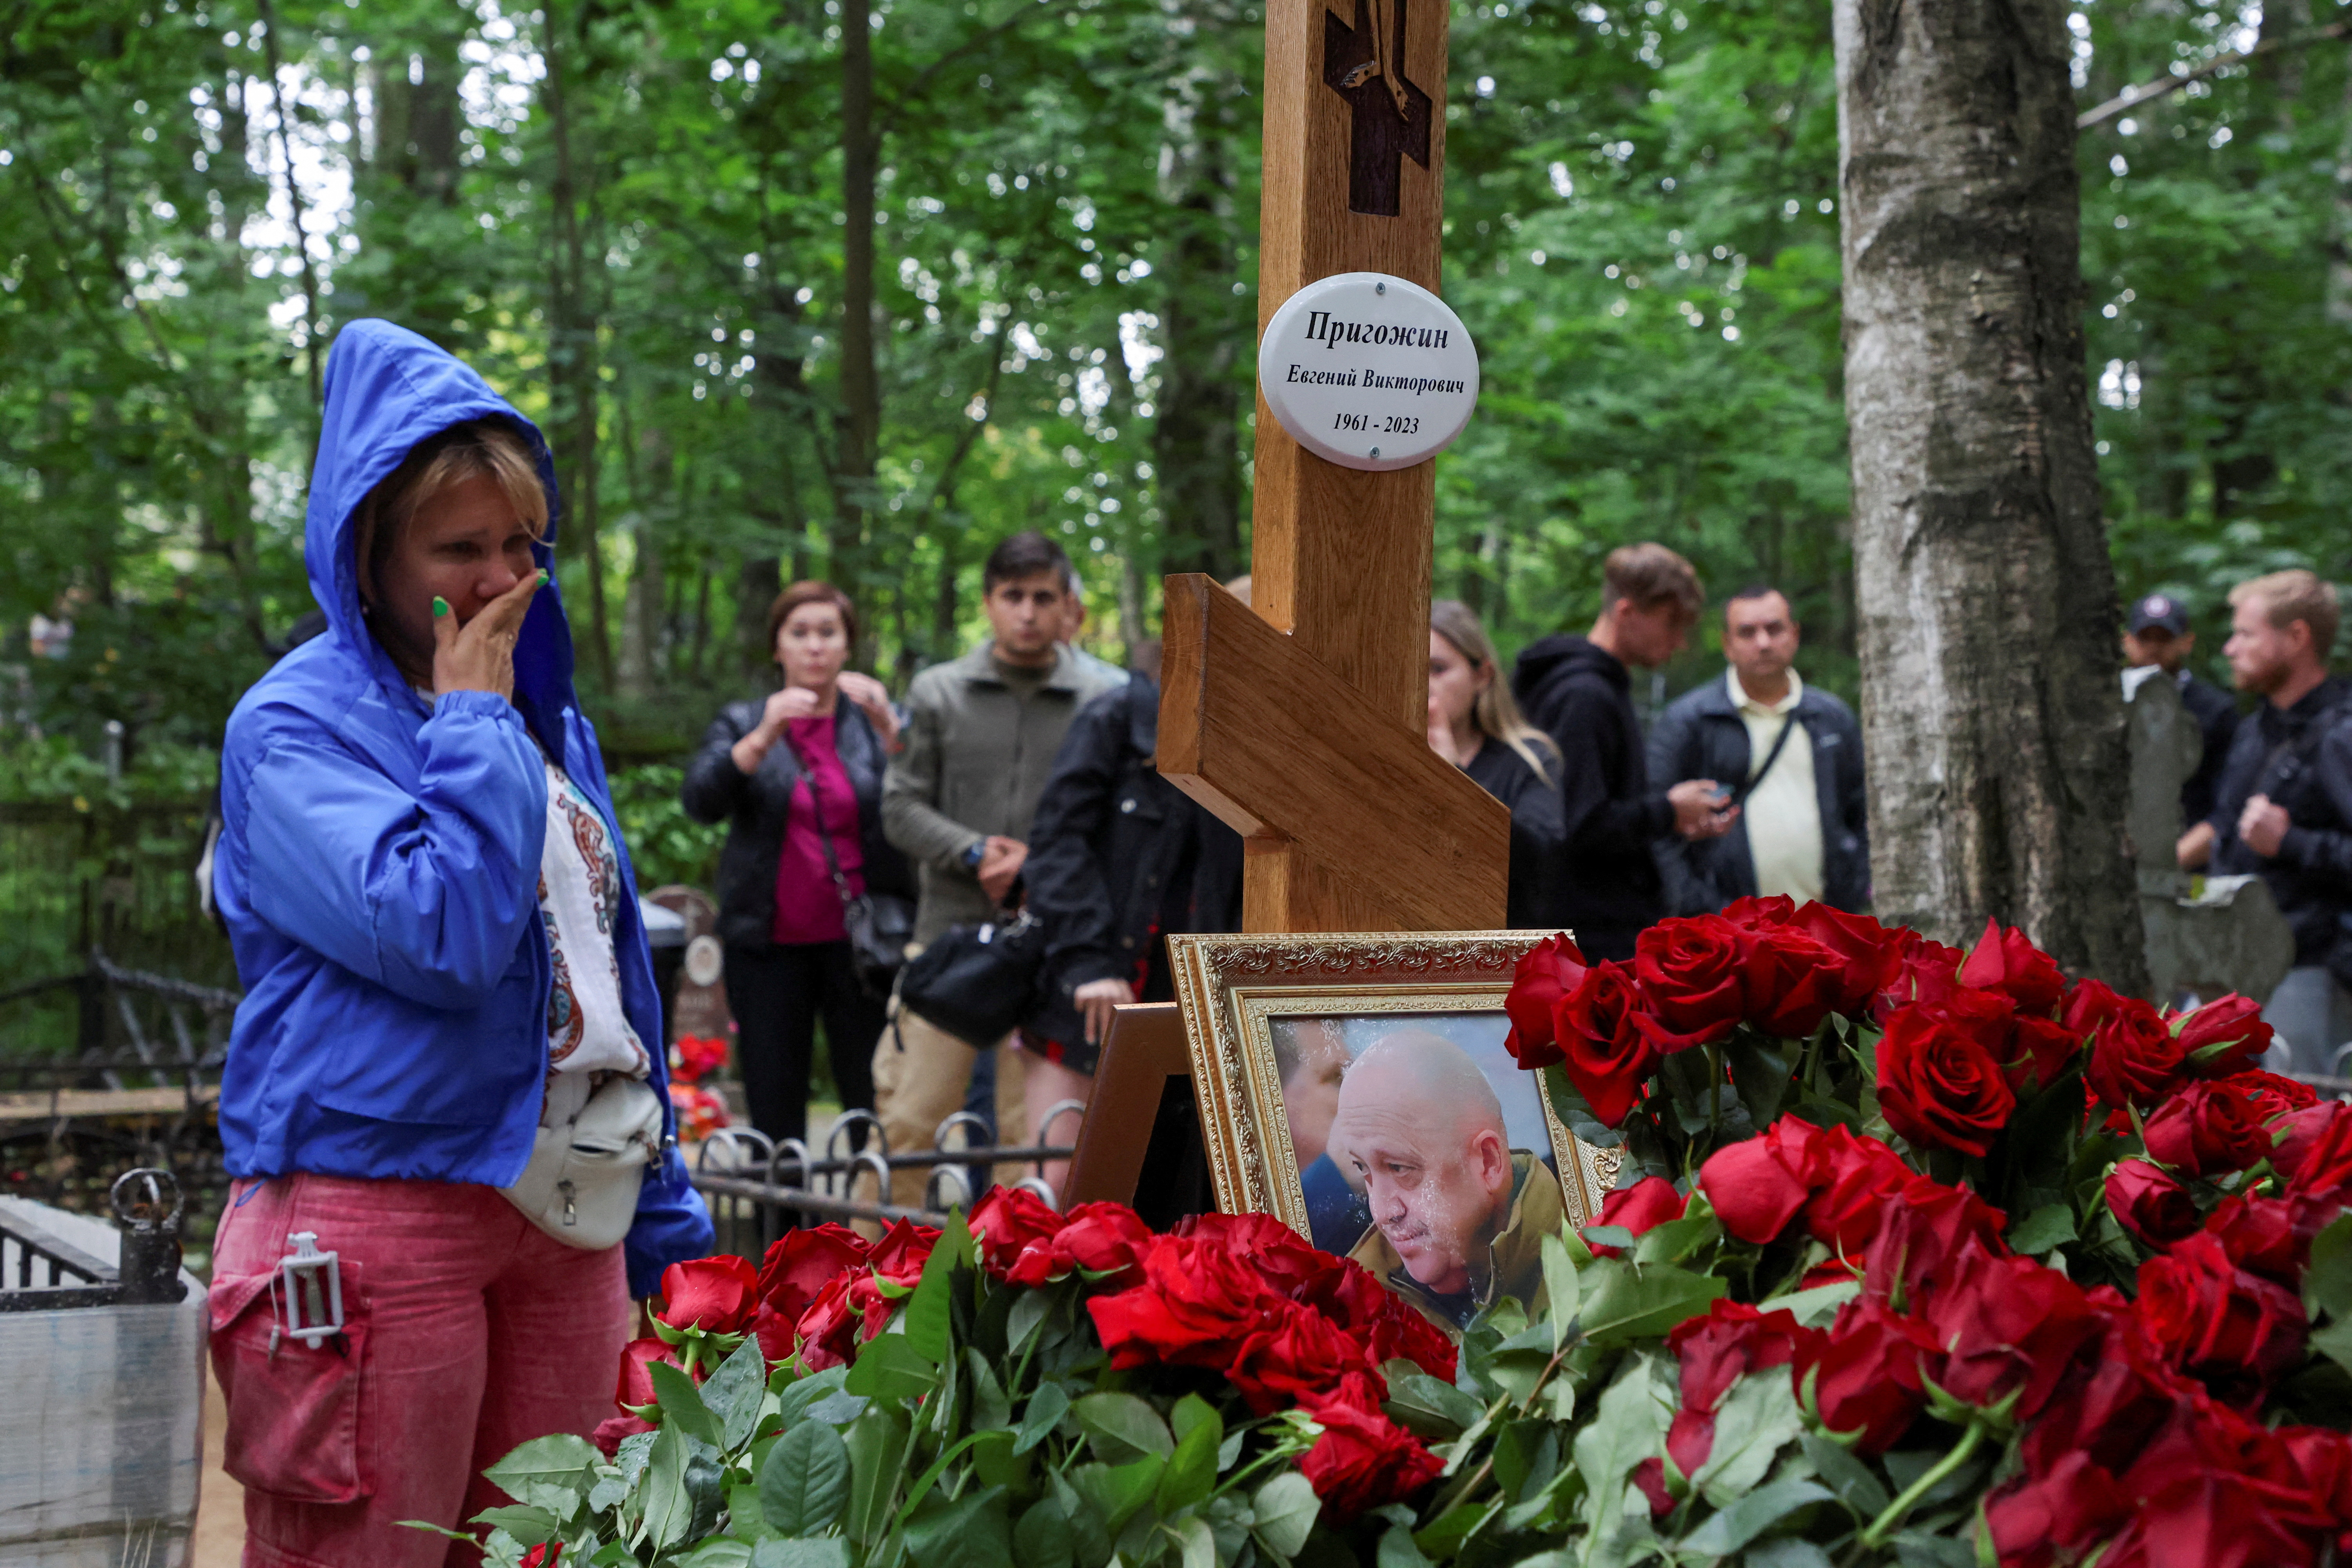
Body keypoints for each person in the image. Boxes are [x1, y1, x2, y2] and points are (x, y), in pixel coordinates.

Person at [206, 319, 710, 1565]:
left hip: (565, 1210)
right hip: (376, 1205)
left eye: (520, 543)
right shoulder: (293, 728)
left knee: (553, 1547)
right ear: (368, 552)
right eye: (459, 549)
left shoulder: (544, 717)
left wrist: (664, 1206)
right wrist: (475, 722)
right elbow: (441, 936)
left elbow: (603, 968)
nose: (501, 579)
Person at [873, 531, 1127, 1206]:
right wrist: (975, 852)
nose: (1028, 613)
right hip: (951, 943)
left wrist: (1038, 868)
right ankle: (865, 1269)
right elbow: (899, 806)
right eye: (1013, 596)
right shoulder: (938, 692)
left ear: (1069, 605)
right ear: (988, 602)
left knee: (1035, 1146)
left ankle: (1023, 1272)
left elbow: (1120, 828)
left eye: (1043, 597)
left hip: (1052, 951)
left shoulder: (1107, 698)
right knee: (908, 1124)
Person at [679, 581, 914, 1149]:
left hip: (862, 949)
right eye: (800, 633)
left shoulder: (874, 723)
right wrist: (764, 735)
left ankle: (870, 1204)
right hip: (767, 948)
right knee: (774, 1100)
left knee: (871, 1098)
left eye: (828, 633)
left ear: (847, 646)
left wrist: (891, 732)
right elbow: (702, 802)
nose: (815, 646)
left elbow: (921, 805)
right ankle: (782, 1208)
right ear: (777, 647)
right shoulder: (743, 720)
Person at [1015, 635, 1245, 1194]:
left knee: (1164, 1194)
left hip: (1194, 1005)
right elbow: (1056, 846)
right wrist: (1087, 962)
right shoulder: (1116, 718)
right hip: (1092, 989)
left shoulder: (1255, 742)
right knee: (1060, 1184)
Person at [1511, 543, 1736, 959]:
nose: (1680, 642)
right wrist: (1668, 811)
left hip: (1591, 929)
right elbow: (1578, 826)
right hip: (1586, 941)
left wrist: (1674, 817)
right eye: (1671, 623)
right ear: (1627, 613)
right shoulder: (1584, 696)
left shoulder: (1597, 687)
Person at [2179, 570, 2352, 1076]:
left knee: (2298, 1115)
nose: (2230, 649)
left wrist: (2293, 842)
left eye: (2246, 634)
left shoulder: (2341, 734)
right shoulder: (2254, 730)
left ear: (2296, 637)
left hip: (2307, 971)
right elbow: (2226, 826)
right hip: (2226, 966)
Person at [1646, 585, 1870, 916]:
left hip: (1826, 923)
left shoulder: (1831, 717)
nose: (1763, 643)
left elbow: (1863, 813)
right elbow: (1654, 824)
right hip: (1728, 929)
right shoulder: (1689, 722)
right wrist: (1698, 908)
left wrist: (1854, 889)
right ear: (1727, 644)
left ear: (1795, 635)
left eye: (1774, 629)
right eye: (1747, 632)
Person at [1332, 1030, 1563, 1329]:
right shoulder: (1361, 1313)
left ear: (1488, 1163)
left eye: (1400, 1168)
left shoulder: (1596, 1255)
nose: (1383, 1213)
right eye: (1363, 1168)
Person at [1426, 601, 1567, 929]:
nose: (1423, 683)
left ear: (1482, 676)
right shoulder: (1380, 755)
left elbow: (1539, 869)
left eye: (1438, 669)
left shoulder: (1529, 760)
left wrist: (1453, 781)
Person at [2123, 592, 2241, 831]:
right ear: (2127, 641)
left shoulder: (2216, 710)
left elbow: (2228, 802)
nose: (2154, 648)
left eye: (2164, 639)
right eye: (2145, 638)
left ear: (2187, 642)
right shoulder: (2106, 706)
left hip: (2187, 839)